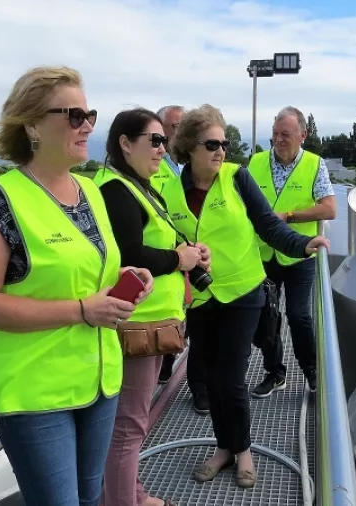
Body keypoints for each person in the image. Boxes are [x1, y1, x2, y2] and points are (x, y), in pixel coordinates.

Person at [0, 65, 154, 506]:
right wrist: (83, 310)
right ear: (31, 124)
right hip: (35, 396)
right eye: (72, 115)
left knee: (90, 499)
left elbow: (93, 273)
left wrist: (129, 280)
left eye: (90, 115)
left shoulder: (90, 192)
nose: (87, 125)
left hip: (100, 383)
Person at [160, 104, 330, 488]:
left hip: (244, 293)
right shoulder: (168, 190)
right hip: (201, 300)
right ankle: (224, 447)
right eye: (212, 143)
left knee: (232, 377)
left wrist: (303, 244)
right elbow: (165, 241)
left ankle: (244, 451)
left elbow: (268, 224)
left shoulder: (237, 177)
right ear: (189, 147)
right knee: (212, 376)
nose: (221, 150)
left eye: (225, 142)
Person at [94, 107, 209, 506]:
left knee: (130, 425)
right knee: (128, 427)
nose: (164, 148)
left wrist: (188, 253)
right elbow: (131, 255)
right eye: (154, 140)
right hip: (135, 326)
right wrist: (179, 260)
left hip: (147, 323)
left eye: (165, 140)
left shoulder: (135, 185)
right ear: (125, 144)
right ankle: (124, 501)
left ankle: (132, 493)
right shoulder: (116, 191)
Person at [249, 106, 337, 398]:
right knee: (267, 316)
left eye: (285, 134)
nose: (279, 140)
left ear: (303, 135)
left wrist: (288, 216)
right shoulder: (256, 163)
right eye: (275, 134)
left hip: (301, 253)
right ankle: (275, 373)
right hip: (264, 255)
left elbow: (329, 208)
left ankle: (311, 373)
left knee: (299, 315)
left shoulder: (315, 165)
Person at [153, 105, 210, 415]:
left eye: (182, 126)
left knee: (197, 323)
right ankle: (164, 364)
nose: (176, 132)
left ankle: (198, 388)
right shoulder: (152, 164)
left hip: (195, 255)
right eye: (172, 126)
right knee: (174, 317)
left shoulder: (191, 163)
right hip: (170, 257)